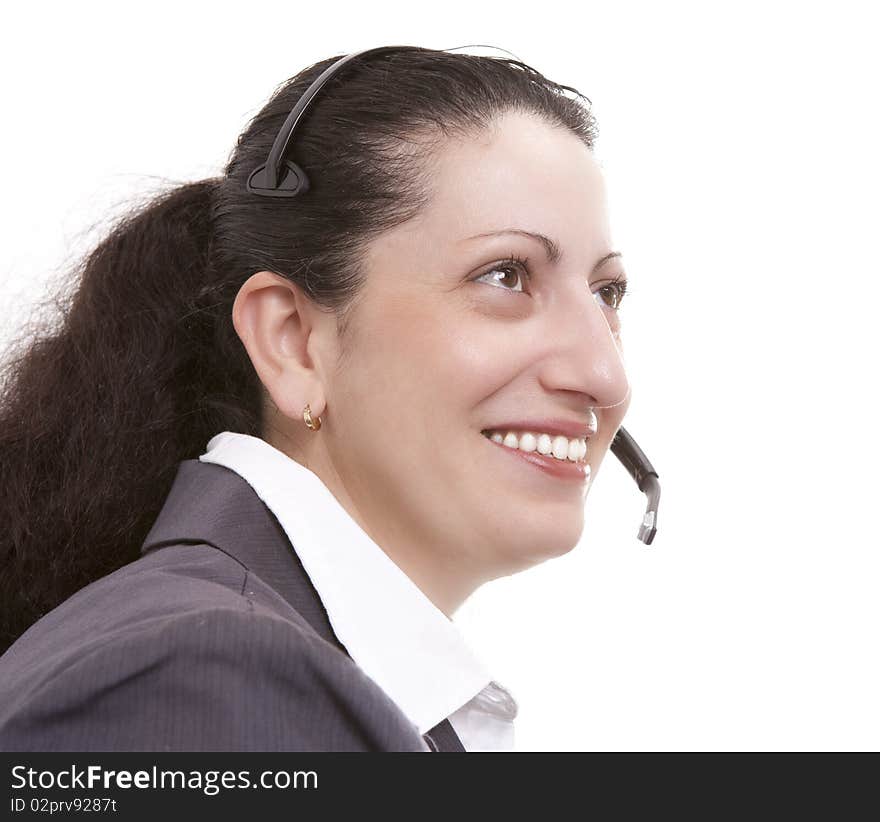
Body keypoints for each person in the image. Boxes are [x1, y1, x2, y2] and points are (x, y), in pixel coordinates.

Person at [0, 45, 632, 751]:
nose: (605, 376)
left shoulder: (257, 672)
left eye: (607, 294)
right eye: (505, 275)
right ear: (293, 341)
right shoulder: (203, 681)